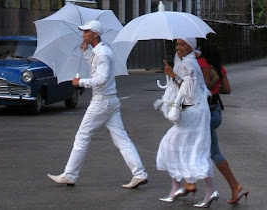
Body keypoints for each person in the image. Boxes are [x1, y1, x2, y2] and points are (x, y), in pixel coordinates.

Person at [47, 20, 148, 188]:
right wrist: (86, 53)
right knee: (121, 139)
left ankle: (70, 174)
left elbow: (101, 79)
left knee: (82, 136)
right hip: (110, 101)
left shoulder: (102, 53)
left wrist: (80, 83)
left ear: (95, 34)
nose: (83, 35)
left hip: (102, 101)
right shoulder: (101, 51)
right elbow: (98, 71)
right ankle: (139, 173)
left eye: (86, 32)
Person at [155, 38, 218, 208]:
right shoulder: (186, 61)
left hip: (195, 110)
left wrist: (172, 75)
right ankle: (178, 188)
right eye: (177, 44)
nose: (178, 48)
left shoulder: (189, 64)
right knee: (180, 147)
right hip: (195, 110)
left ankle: (208, 189)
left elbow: (188, 91)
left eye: (182, 44)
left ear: (191, 46)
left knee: (183, 147)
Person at [197, 40, 249, 204]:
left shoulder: (201, 63)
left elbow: (203, 87)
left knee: (192, 149)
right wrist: (215, 86)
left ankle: (189, 186)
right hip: (216, 111)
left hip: (205, 113)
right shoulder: (219, 67)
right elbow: (227, 89)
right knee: (212, 152)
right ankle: (234, 186)